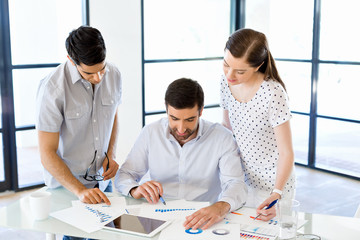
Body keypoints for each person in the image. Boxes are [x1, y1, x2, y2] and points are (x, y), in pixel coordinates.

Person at [115, 78, 247, 230]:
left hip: (202, 221)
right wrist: (134, 189)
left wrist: (222, 206)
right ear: (166, 110)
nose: (181, 129)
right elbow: (125, 174)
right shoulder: (151, 132)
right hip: (157, 218)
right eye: (174, 118)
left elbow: (236, 183)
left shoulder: (222, 137)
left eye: (190, 119)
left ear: (201, 111)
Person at [36, 26, 122, 207]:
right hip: (68, 187)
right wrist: (80, 190)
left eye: (102, 69)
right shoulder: (52, 89)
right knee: (76, 236)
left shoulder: (114, 74)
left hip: (102, 181)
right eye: (89, 73)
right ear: (71, 61)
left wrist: (110, 154)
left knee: (109, 233)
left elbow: (112, 115)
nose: (98, 78)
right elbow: (46, 152)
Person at [220, 28, 295, 221]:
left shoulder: (273, 93)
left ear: (258, 66)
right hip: (241, 181)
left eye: (240, 71)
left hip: (273, 186)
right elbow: (227, 128)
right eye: (226, 64)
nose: (230, 75)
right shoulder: (225, 82)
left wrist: (276, 193)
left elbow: (286, 152)